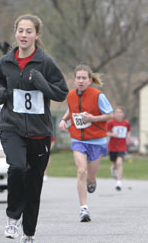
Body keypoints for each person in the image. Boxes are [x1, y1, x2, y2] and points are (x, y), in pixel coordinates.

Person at [0, 14, 68, 242]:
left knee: (34, 185)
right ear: (15, 33)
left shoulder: (46, 62)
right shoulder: (6, 62)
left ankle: (29, 233)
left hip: (39, 132)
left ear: (37, 35)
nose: (24, 35)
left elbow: (62, 92)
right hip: (11, 126)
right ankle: (12, 219)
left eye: (29, 31)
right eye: (20, 30)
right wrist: (0, 93)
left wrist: (41, 83)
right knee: (17, 168)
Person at [59, 64, 113, 222]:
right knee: (81, 171)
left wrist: (93, 118)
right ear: (74, 80)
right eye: (78, 78)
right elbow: (72, 109)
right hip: (78, 139)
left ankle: (92, 181)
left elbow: (109, 115)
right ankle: (83, 209)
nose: (81, 81)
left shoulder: (98, 96)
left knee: (90, 177)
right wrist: (63, 120)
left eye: (84, 78)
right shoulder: (70, 95)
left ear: (90, 80)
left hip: (97, 140)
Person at [107, 106, 131, 191]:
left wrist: (128, 137)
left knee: (119, 162)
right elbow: (105, 132)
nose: (118, 114)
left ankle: (119, 182)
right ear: (114, 114)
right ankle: (113, 169)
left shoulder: (126, 123)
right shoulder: (111, 123)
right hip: (112, 147)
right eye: (116, 112)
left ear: (123, 114)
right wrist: (112, 134)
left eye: (120, 112)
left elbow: (128, 131)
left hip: (122, 146)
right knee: (115, 163)